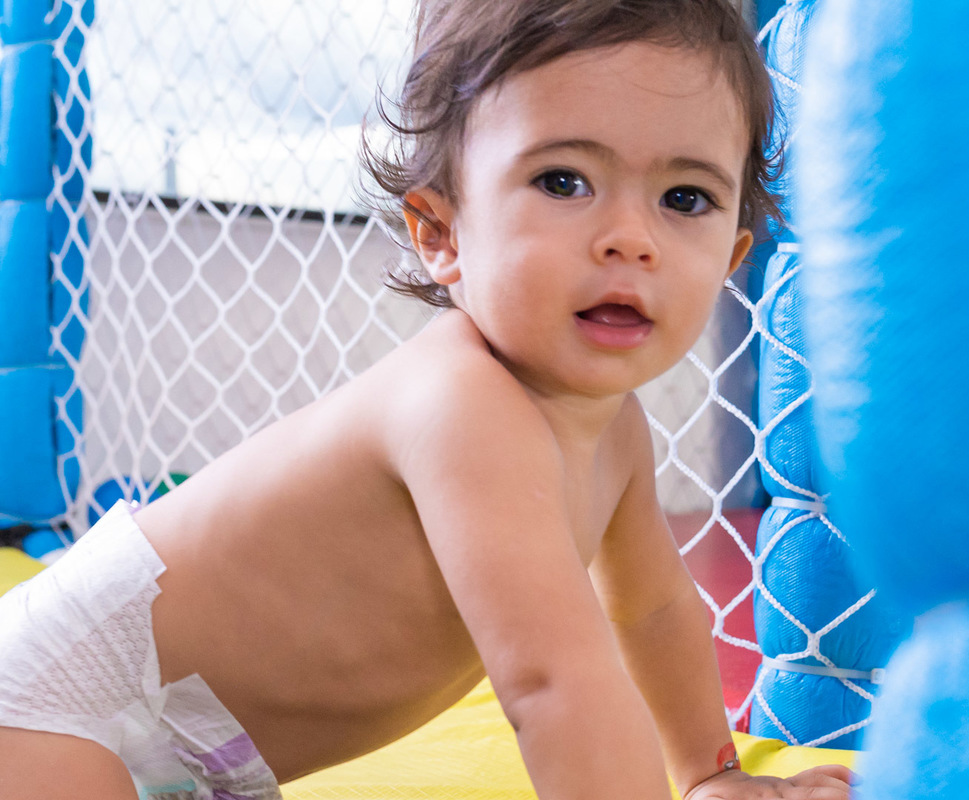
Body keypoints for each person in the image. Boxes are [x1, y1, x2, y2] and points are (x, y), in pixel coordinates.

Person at [0, 1, 855, 798]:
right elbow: (558, 685)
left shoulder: (615, 430)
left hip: (187, 761)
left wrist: (710, 776)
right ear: (440, 233)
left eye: (684, 199)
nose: (630, 239)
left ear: (734, 253)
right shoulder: (461, 402)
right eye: (564, 181)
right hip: (49, 708)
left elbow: (655, 608)